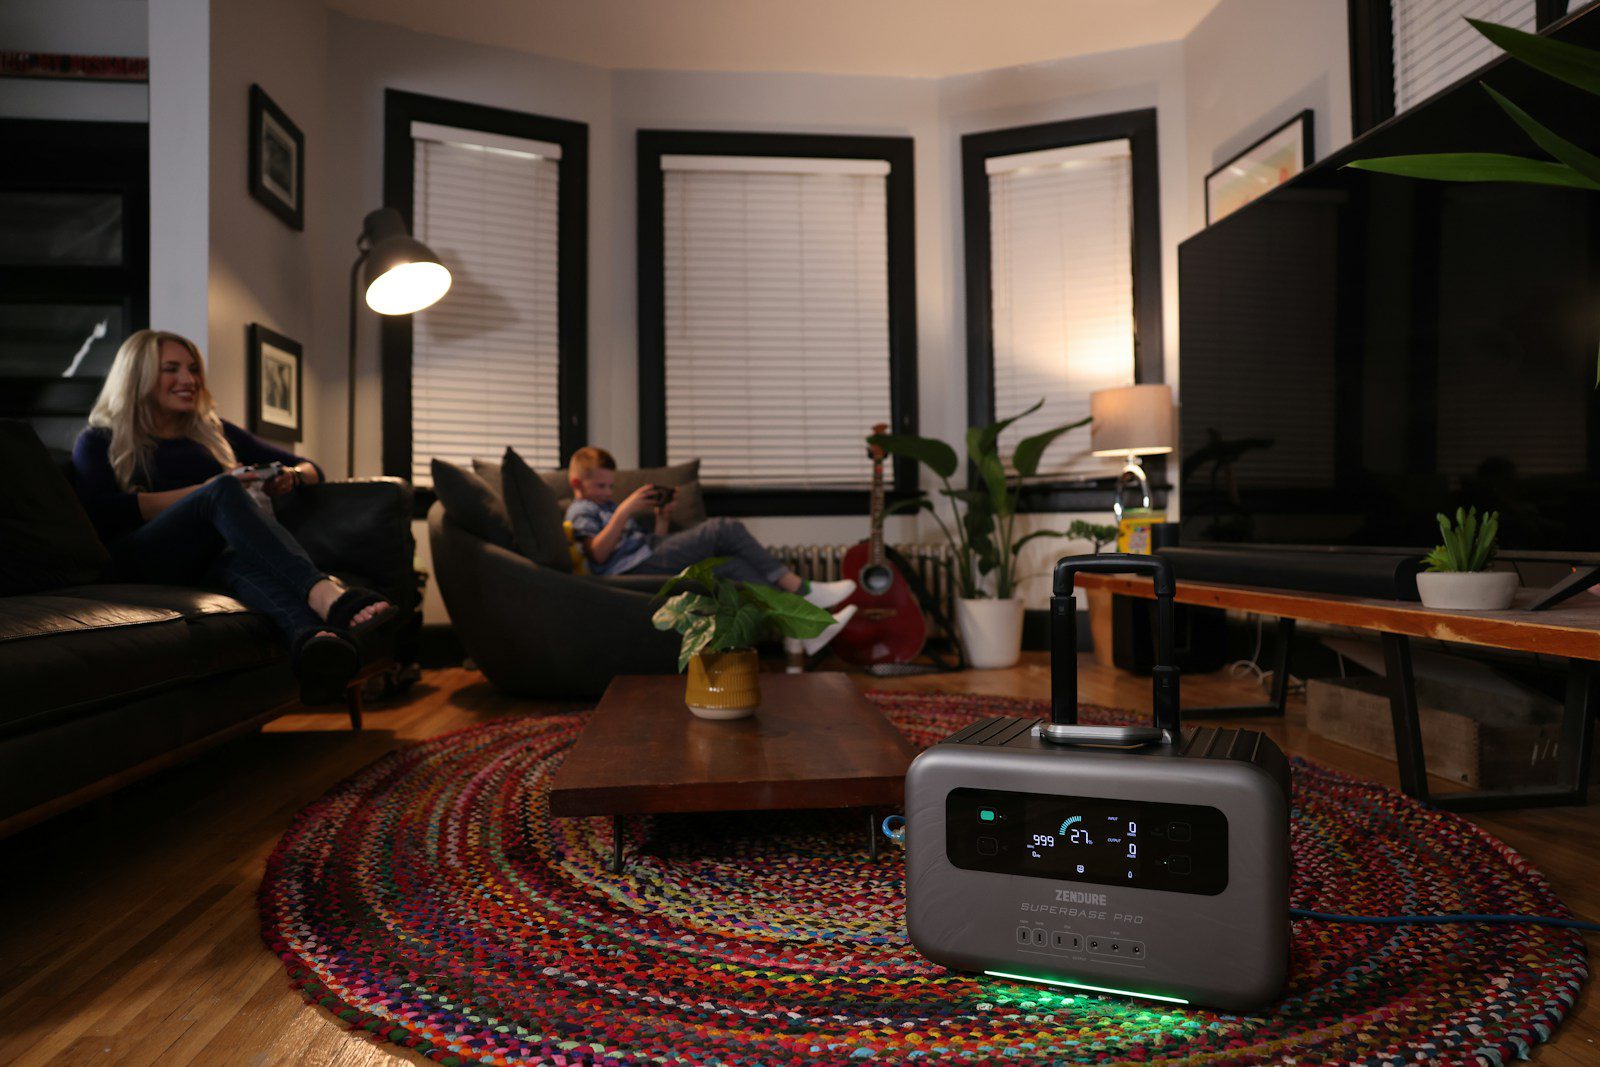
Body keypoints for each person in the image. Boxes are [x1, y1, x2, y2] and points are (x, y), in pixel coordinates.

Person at [71, 329, 394, 697]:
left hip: (206, 560)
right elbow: (98, 512)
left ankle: (314, 640)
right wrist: (206, 491)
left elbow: (311, 467)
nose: (188, 380)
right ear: (137, 375)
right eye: (171, 369)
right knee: (223, 491)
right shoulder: (100, 438)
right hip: (142, 559)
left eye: (193, 369)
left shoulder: (214, 432)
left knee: (240, 563)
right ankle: (325, 593)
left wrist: (289, 477)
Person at [564, 446, 858, 659]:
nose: (607, 491)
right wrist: (626, 510)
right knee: (723, 529)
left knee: (734, 567)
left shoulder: (606, 507)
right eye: (600, 485)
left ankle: (804, 628)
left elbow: (649, 546)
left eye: (610, 486)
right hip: (628, 570)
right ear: (577, 483)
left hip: (649, 556)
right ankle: (803, 590)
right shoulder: (582, 509)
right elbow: (598, 555)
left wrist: (662, 519)